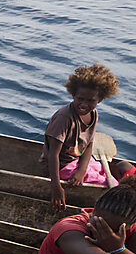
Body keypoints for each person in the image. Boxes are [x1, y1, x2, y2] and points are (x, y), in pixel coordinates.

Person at [41, 63, 130, 211]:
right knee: (110, 186)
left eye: (90, 101)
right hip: (60, 167)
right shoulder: (64, 118)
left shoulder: (93, 114)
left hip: (77, 160)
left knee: (113, 170)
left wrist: (81, 171)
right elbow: (53, 154)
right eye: (80, 98)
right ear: (73, 95)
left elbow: (89, 145)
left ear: (100, 100)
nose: (84, 104)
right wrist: (56, 187)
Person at [31, 176, 136, 254]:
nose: (101, 232)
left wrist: (120, 250)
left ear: (129, 226)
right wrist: (117, 250)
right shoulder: (69, 228)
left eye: (110, 230)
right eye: (96, 222)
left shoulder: (131, 231)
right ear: (94, 210)